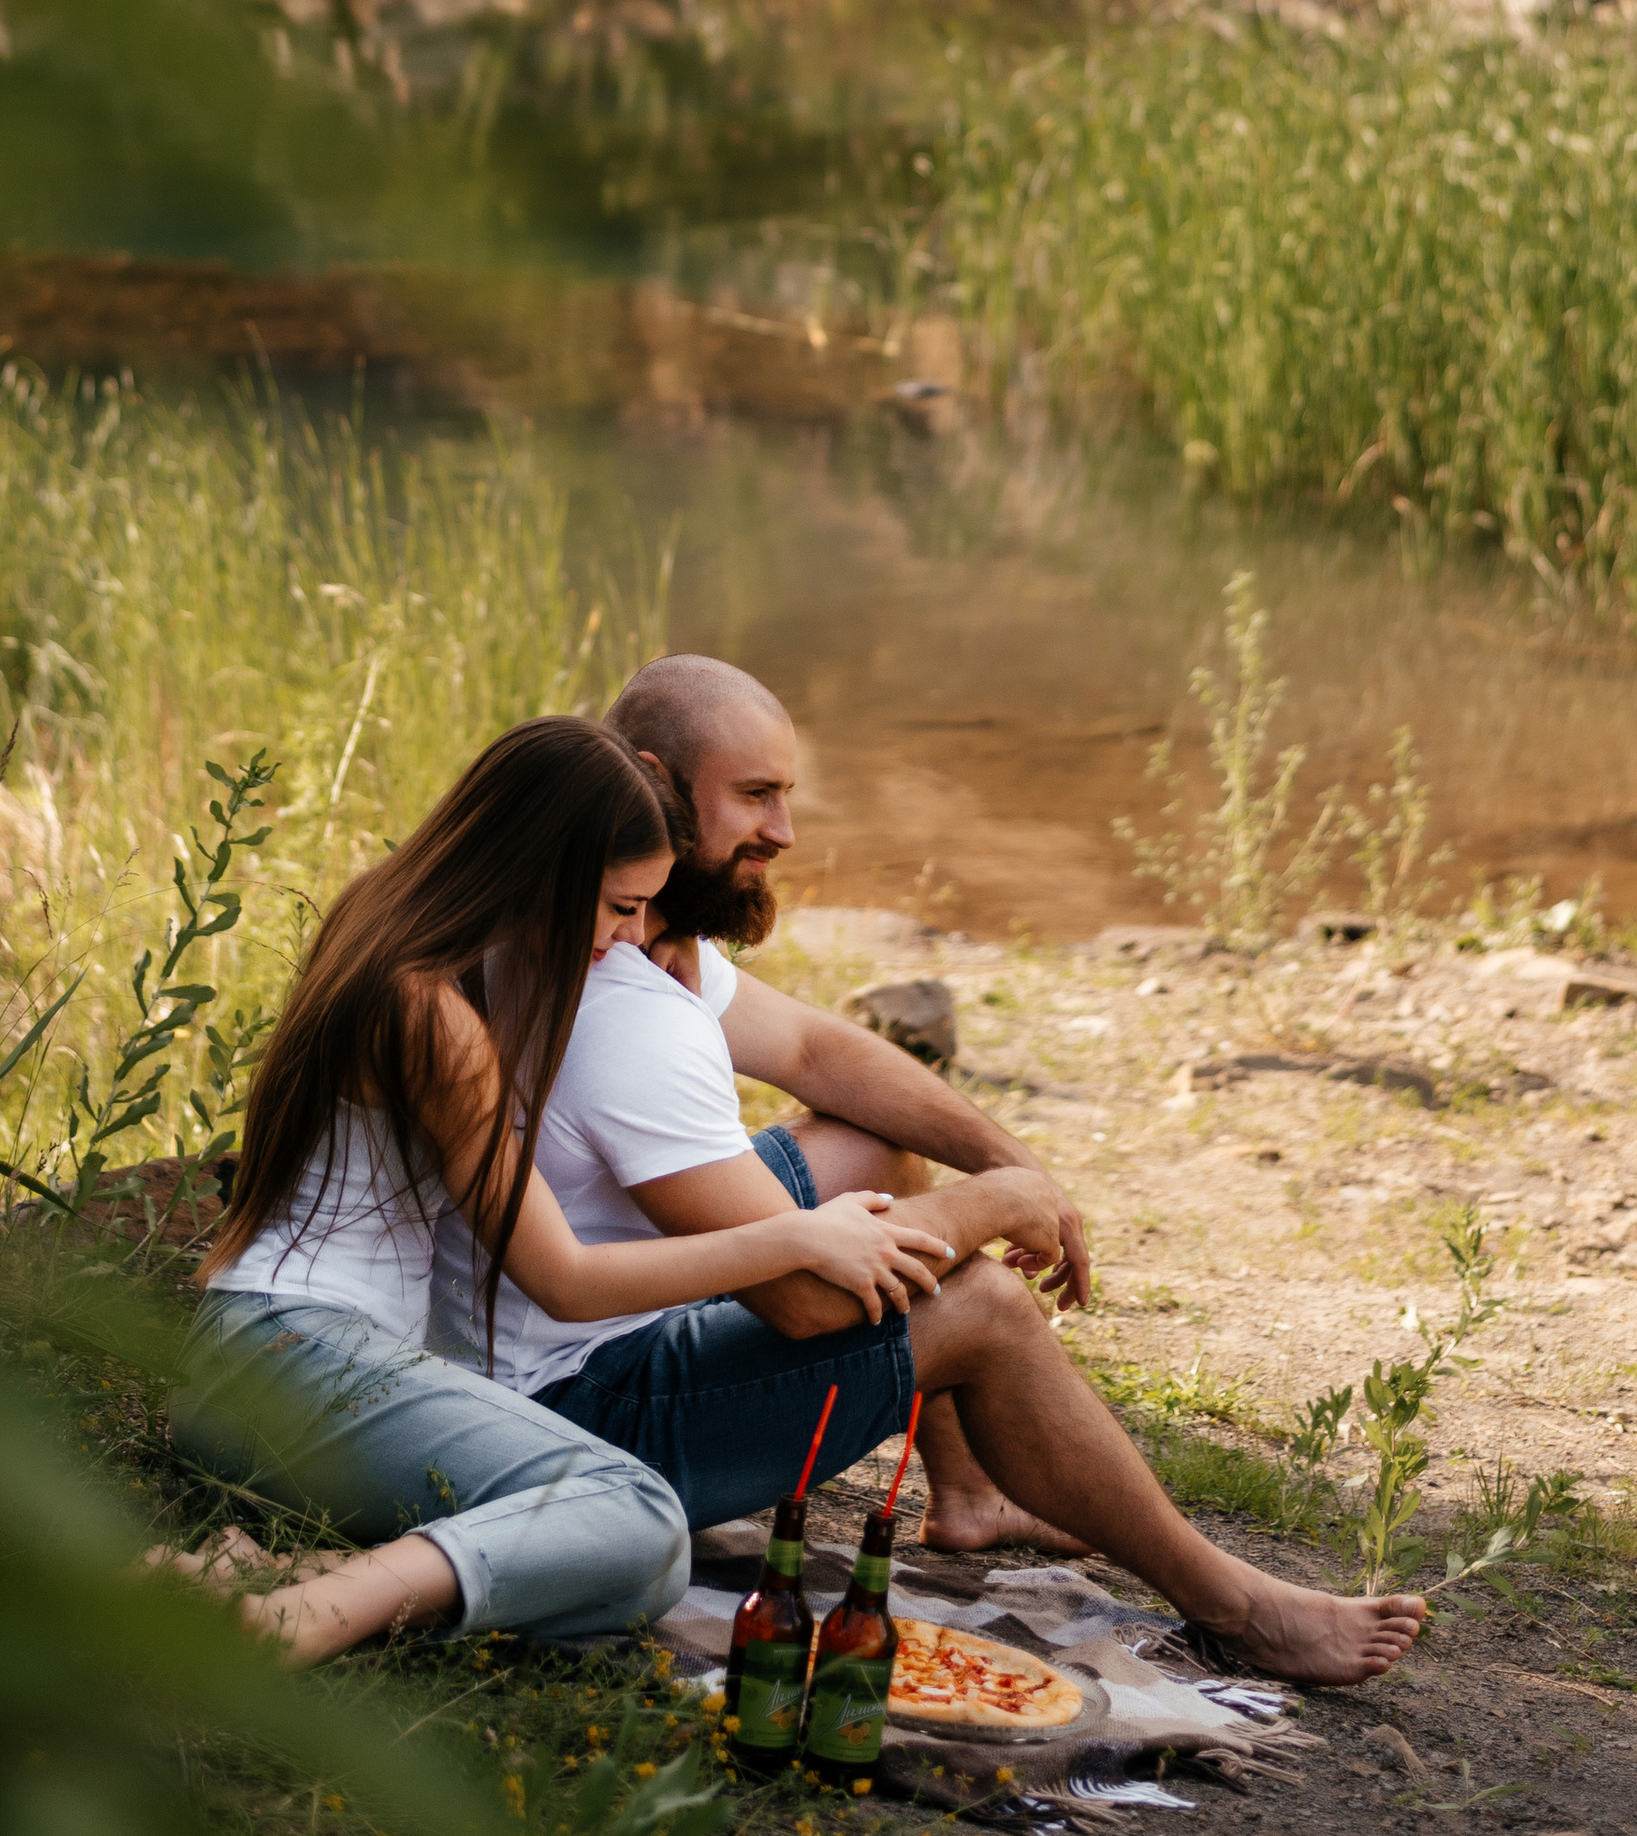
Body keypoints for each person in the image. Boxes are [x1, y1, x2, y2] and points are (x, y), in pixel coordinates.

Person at [438, 657, 1426, 1689]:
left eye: (788, 795)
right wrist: (996, 1205)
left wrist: (1014, 1162)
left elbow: (821, 1055)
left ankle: (969, 1493)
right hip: (581, 1416)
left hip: (577, 1336)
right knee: (988, 1307)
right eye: (756, 796)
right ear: (655, 783)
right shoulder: (621, 1004)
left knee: (869, 1148)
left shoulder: (619, 935)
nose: (783, 832)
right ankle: (1241, 1608)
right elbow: (805, 1301)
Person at [171, 716, 953, 1665]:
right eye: (621, 906)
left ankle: (274, 1573)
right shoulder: (433, 1015)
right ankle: (306, 1614)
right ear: (546, 869)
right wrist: (799, 1239)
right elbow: (567, 1282)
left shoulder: (376, 921)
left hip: (243, 1363)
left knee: (616, 1519)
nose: (631, 938)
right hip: (292, 1357)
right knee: (636, 1518)